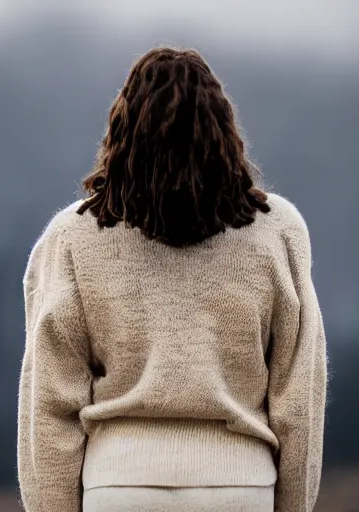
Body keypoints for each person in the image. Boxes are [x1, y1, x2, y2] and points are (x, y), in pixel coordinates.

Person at [17, 46, 328, 512]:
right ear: (224, 131)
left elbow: (49, 406)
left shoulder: (72, 237)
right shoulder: (278, 231)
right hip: (240, 489)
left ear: (123, 132)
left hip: (118, 489)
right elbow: (298, 398)